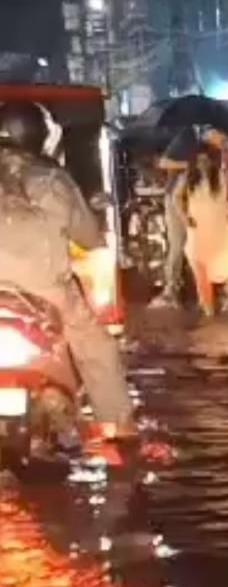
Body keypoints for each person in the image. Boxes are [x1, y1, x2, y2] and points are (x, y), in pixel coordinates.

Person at [0, 101, 135, 441]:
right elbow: (88, 238)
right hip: (45, 292)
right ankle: (118, 426)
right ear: (40, 138)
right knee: (98, 349)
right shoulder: (52, 178)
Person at [157, 126, 228, 303]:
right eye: (221, 138)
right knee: (178, 242)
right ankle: (172, 284)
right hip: (179, 198)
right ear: (211, 131)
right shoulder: (186, 137)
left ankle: (217, 283)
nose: (223, 143)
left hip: (203, 201)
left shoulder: (216, 152)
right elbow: (163, 162)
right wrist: (191, 165)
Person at [182, 144, 228, 317]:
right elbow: (175, 199)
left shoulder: (222, 176)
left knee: (223, 264)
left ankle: (222, 296)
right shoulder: (188, 178)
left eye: (206, 160)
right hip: (198, 228)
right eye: (199, 160)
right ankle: (208, 308)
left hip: (219, 227)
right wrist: (184, 218)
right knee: (199, 266)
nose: (202, 163)